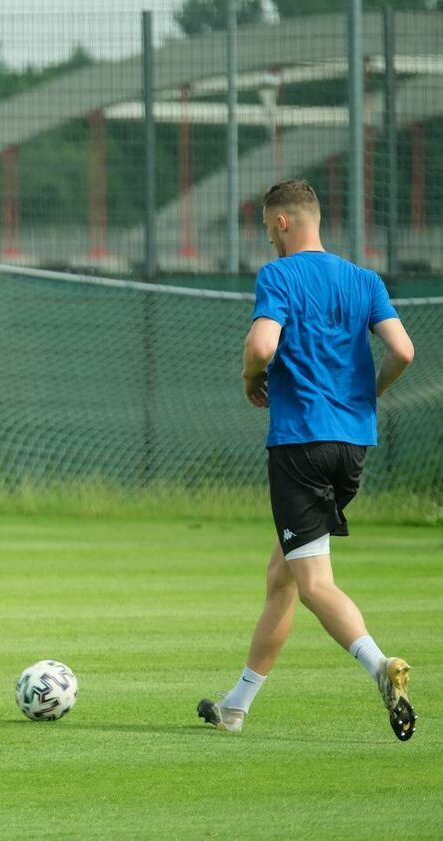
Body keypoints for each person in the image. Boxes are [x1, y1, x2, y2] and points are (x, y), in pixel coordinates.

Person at [198, 179, 417, 741]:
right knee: (284, 576)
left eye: (269, 226)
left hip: (300, 446)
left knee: (315, 582)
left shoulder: (280, 275)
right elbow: (403, 350)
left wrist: (251, 378)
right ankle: (235, 707)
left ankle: (380, 665)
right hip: (353, 446)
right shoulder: (364, 280)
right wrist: (366, 397)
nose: (269, 237)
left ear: (282, 223)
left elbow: (262, 347)